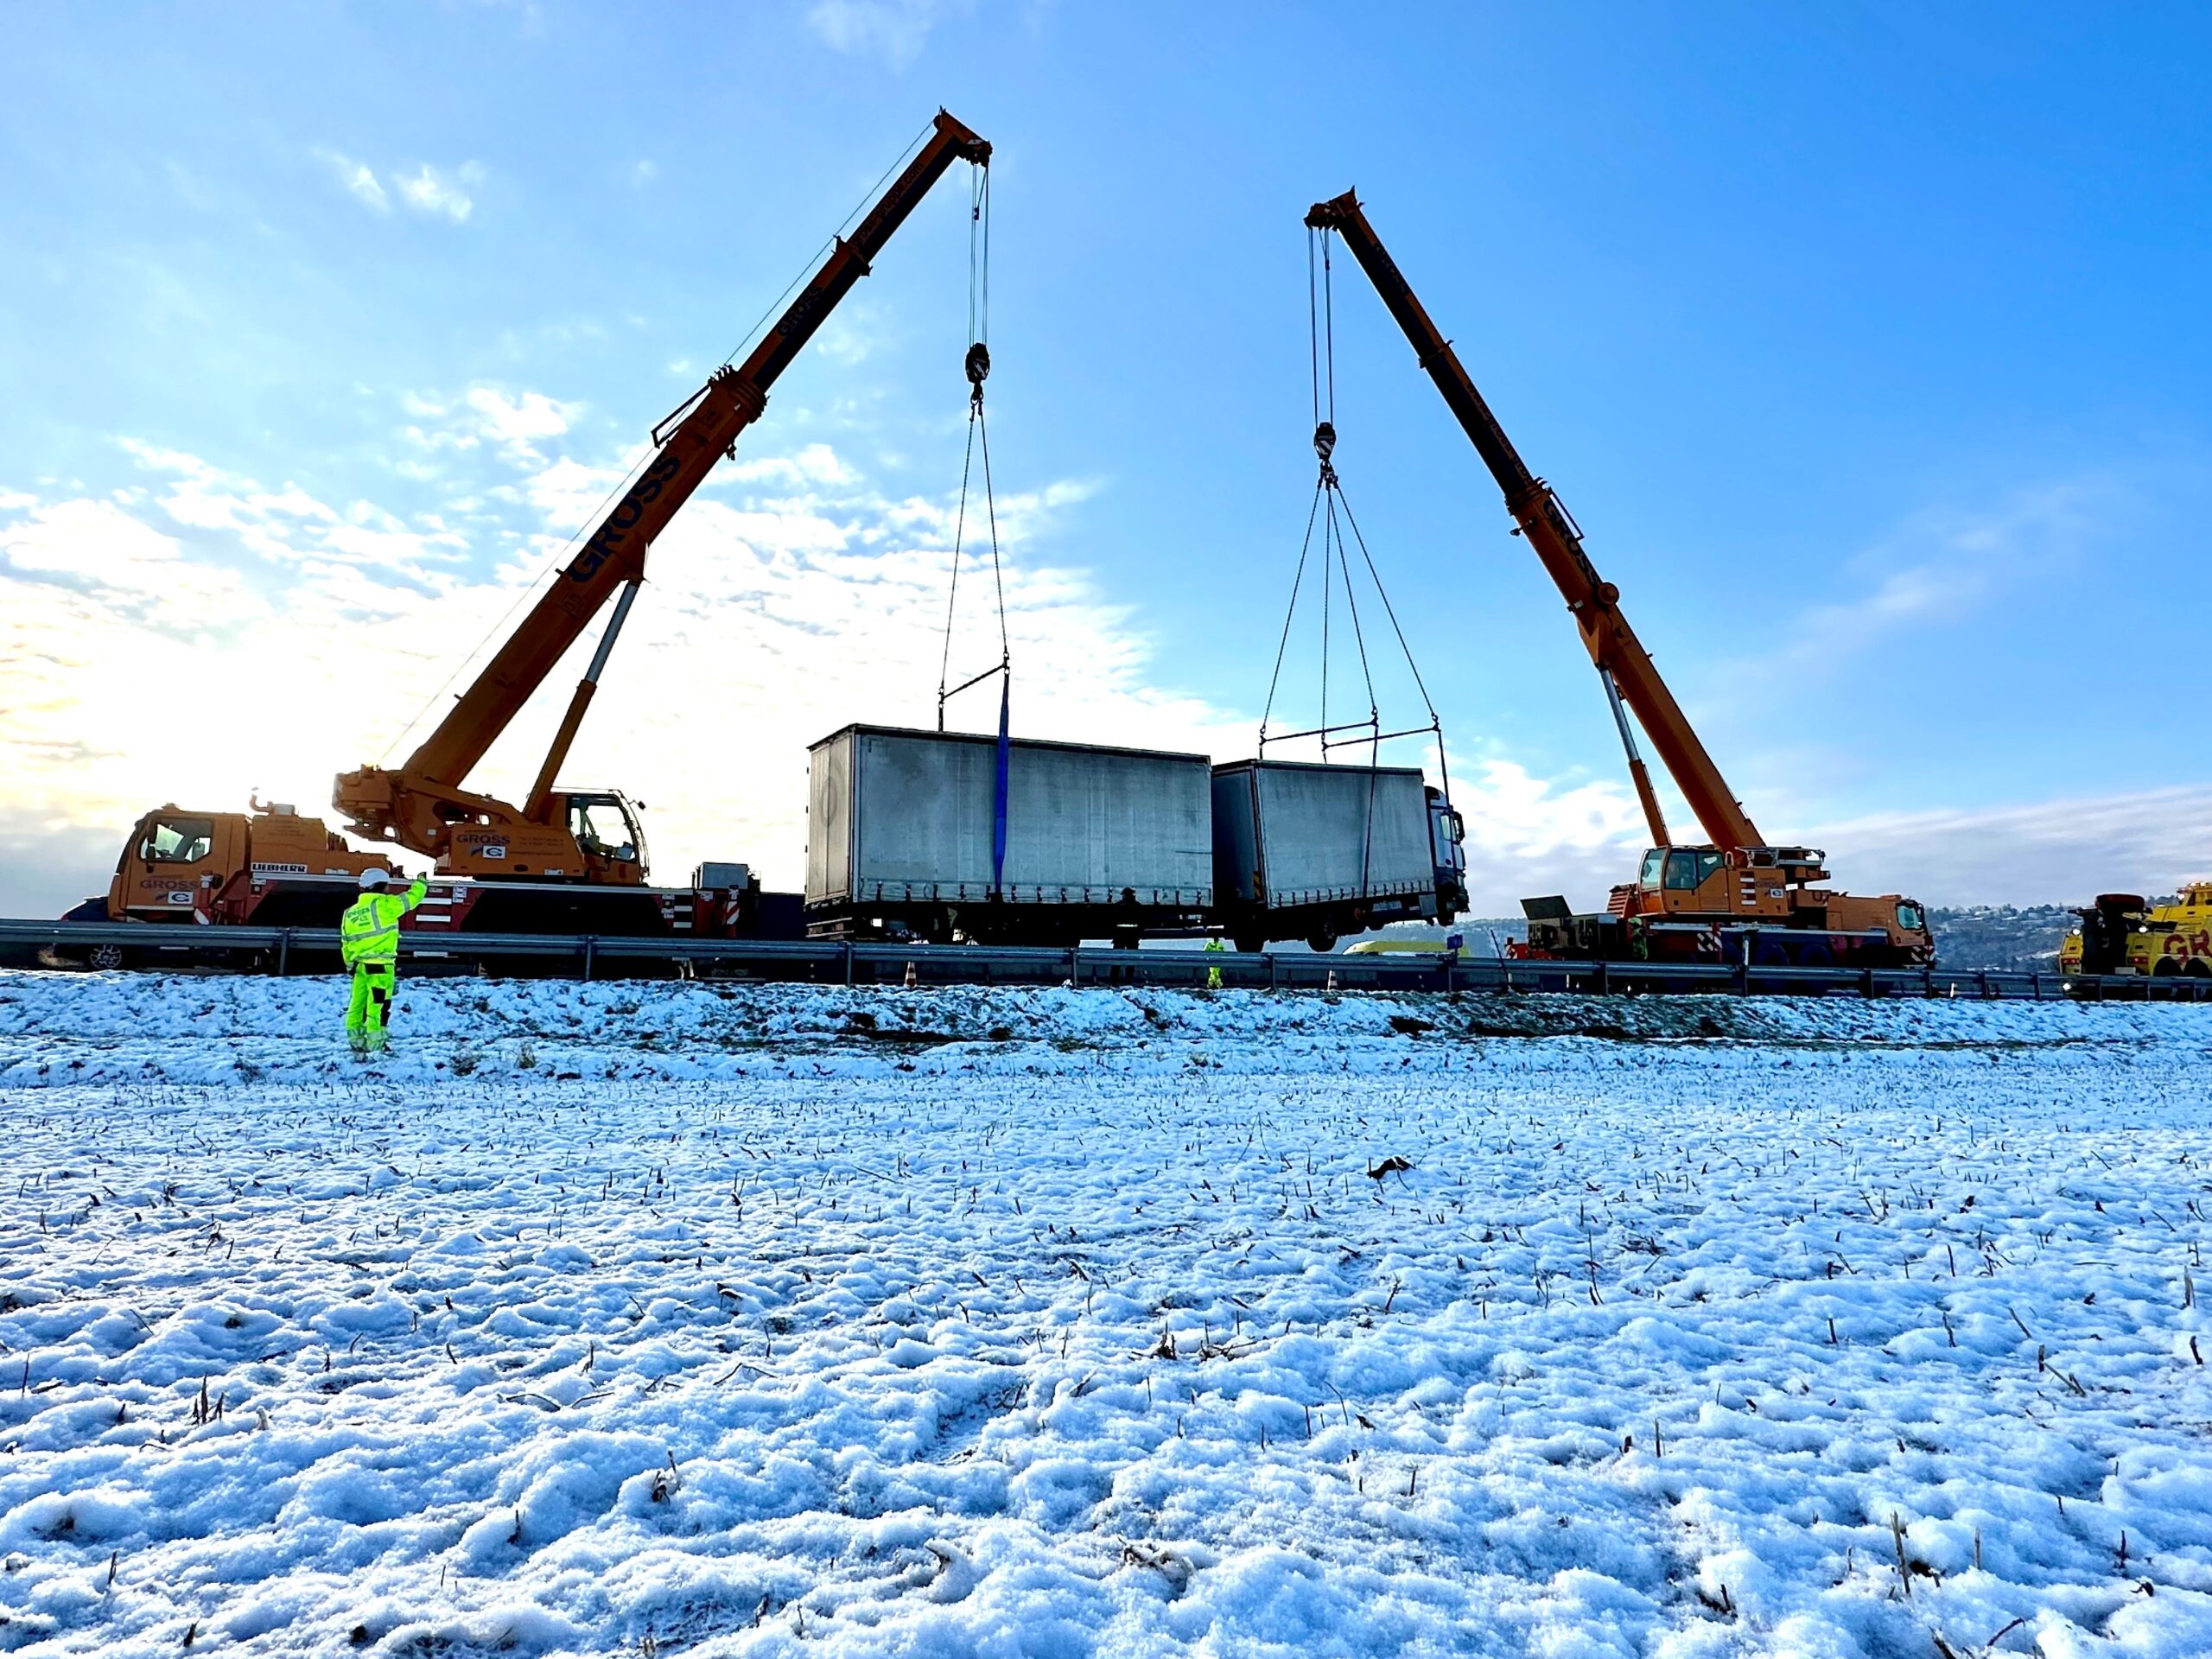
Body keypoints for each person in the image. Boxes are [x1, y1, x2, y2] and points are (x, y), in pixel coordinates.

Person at [340, 868, 427, 1053]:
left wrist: (350, 966)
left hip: (359, 966)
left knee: (357, 1006)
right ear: (382, 885)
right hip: (380, 966)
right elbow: (411, 899)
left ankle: (356, 1042)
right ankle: (376, 1047)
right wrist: (421, 883)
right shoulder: (384, 905)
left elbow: (345, 943)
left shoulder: (350, 913)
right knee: (378, 1007)